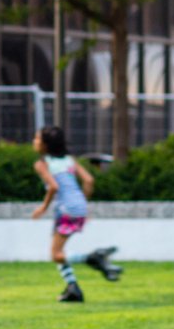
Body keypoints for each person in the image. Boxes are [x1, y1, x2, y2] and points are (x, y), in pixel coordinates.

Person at [30, 125, 121, 303]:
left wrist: (43, 207)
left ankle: (93, 258)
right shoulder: (70, 160)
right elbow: (89, 180)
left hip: (65, 209)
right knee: (59, 249)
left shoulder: (42, 164)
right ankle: (73, 289)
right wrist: (82, 204)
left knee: (55, 254)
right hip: (78, 206)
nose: (34, 141)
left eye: (37, 138)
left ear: (46, 145)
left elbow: (54, 187)